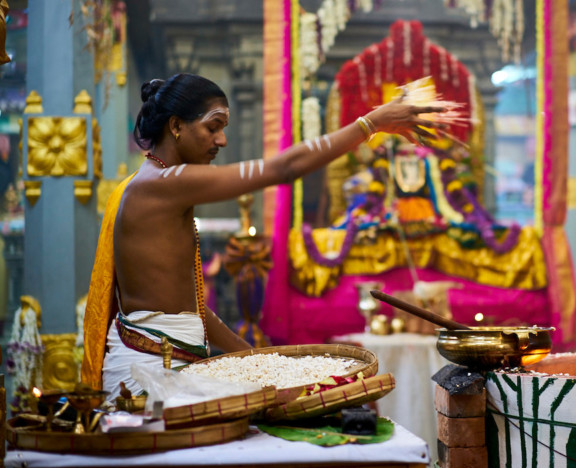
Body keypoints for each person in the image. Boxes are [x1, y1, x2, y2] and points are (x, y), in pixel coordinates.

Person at [81, 73, 447, 398]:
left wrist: (259, 361)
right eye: (213, 126)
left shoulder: (156, 183)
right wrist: (371, 123)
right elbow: (283, 168)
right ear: (176, 126)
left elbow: (187, 309)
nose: (221, 140)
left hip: (166, 359)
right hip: (151, 372)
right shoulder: (163, 184)